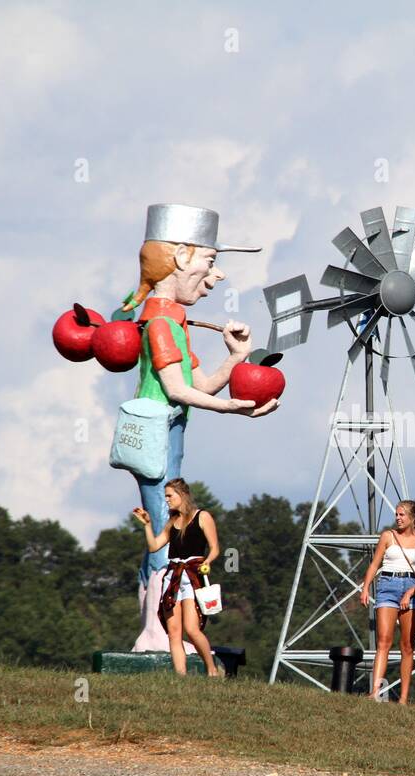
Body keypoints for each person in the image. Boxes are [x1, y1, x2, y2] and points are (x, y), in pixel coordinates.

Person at [119, 204, 277, 652]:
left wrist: (235, 356)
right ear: (182, 256)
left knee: (169, 528)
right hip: (155, 436)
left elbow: (198, 383)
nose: (217, 276)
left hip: (170, 437)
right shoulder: (163, 321)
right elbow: (177, 388)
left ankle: (159, 628)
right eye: (210, 261)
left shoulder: (173, 319)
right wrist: (232, 408)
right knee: (164, 534)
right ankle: (154, 633)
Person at [131, 479, 222, 677]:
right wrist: (147, 525)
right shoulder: (172, 522)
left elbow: (215, 548)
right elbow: (154, 546)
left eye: (170, 496)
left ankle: (212, 669)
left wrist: (208, 561)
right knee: (173, 631)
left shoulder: (202, 517)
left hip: (192, 575)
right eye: (165, 496)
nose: (167, 500)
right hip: (173, 577)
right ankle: (181, 676)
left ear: (182, 495)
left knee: (191, 628)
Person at [359, 501, 415, 703]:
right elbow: (375, 563)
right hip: (387, 585)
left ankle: (403, 698)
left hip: (411, 587)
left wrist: (411, 592)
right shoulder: (388, 536)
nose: (398, 518)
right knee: (384, 641)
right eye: (396, 514)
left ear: (413, 517)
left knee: (407, 645)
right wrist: (365, 587)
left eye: (402, 515)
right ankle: (375, 691)